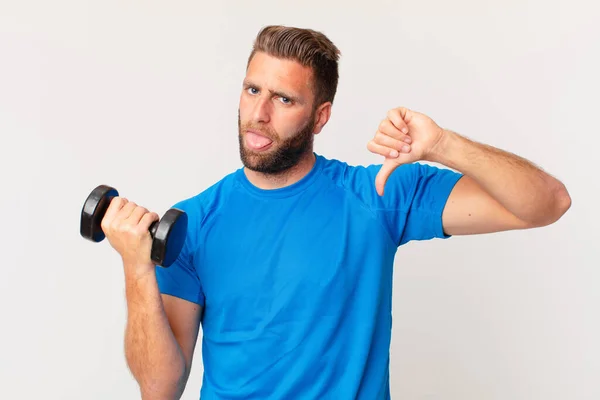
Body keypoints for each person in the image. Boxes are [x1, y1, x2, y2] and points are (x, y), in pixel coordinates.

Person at [100, 25, 571, 399]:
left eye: (284, 99)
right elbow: (159, 389)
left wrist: (444, 145)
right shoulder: (195, 222)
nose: (259, 114)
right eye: (252, 90)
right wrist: (136, 267)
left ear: (320, 116)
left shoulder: (378, 195)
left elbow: (547, 203)